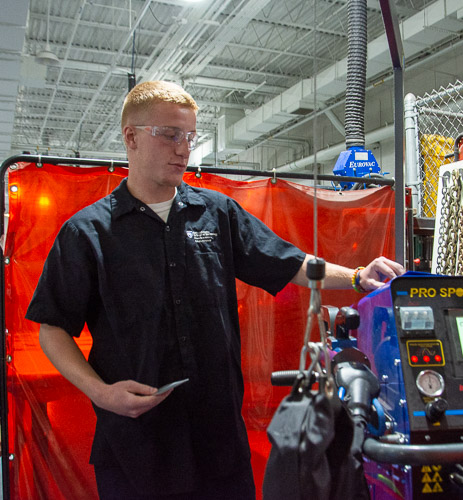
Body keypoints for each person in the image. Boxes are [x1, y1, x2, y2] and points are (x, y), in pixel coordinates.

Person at [25, 80, 405, 500]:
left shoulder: (216, 214)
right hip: (137, 446)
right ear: (131, 137)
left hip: (218, 443)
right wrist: (101, 393)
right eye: (170, 134)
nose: (183, 148)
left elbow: (286, 262)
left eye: (189, 136)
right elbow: (52, 328)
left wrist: (356, 276)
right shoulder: (88, 233)